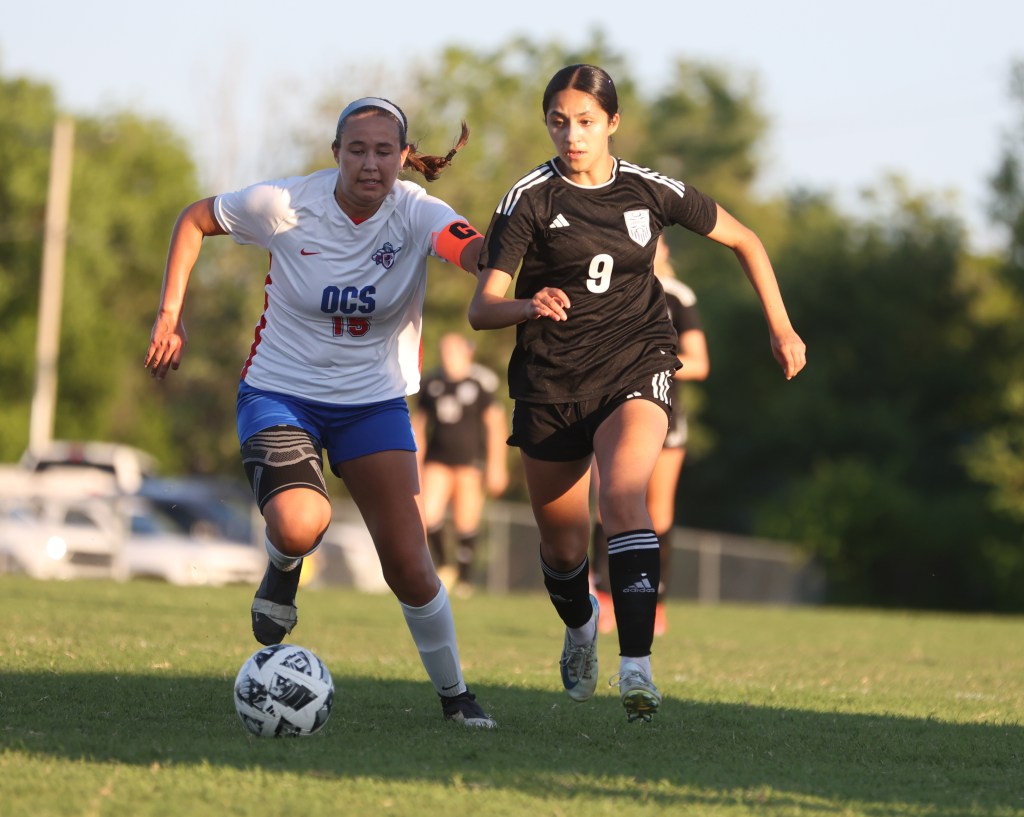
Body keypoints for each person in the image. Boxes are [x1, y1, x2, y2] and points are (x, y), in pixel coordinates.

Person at [468, 65, 805, 723]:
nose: (572, 134)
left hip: (637, 361)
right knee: (563, 553)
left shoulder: (651, 189)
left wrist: (781, 325)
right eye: (559, 121)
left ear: (613, 123)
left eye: (587, 121)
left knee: (624, 496)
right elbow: (482, 308)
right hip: (551, 383)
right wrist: (528, 305)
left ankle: (638, 667)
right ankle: (579, 623)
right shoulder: (526, 199)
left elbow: (745, 238)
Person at [144, 96, 496, 728]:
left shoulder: (417, 212)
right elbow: (194, 219)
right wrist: (170, 315)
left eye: (384, 151)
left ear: (402, 157)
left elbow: (474, 253)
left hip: (372, 404)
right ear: (335, 154)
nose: (370, 163)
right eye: (356, 150)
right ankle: (284, 566)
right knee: (302, 523)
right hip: (281, 392)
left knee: (412, 567)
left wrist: (500, 261)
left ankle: (457, 699)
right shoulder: (285, 204)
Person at [590, 235, 709, 637]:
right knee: (608, 503)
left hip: (666, 414)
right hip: (610, 411)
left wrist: (651, 360)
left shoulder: (678, 296)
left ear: (665, 251)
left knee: (658, 513)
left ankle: (655, 604)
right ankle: (603, 598)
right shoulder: (611, 286)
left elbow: (699, 363)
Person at [412, 332, 508, 596]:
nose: (448, 357)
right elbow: (418, 425)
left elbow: (495, 425)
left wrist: (496, 466)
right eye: (444, 352)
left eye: (453, 351)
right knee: (428, 515)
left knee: (466, 521)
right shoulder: (432, 383)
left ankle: (465, 581)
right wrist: (414, 463)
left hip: (469, 462)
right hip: (437, 461)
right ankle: (445, 565)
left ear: (467, 353)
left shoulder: (480, 383)